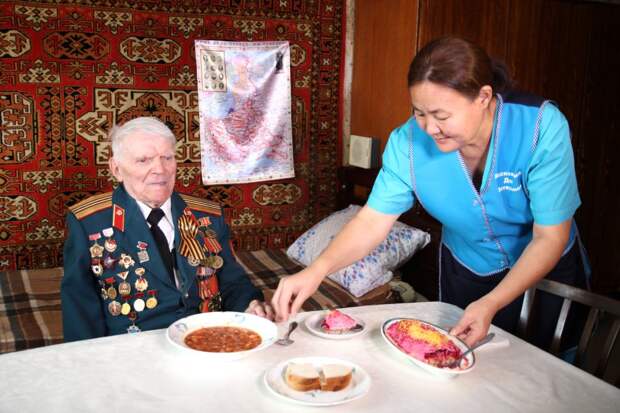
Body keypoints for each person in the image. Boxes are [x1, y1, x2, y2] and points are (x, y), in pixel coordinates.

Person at [272, 37, 589, 348]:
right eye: (419, 112)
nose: (427, 127)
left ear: (483, 96)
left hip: (544, 271)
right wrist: (317, 270)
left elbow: (550, 236)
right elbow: (372, 222)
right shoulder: (407, 143)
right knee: (462, 365)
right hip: (469, 268)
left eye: (441, 115)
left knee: (548, 375)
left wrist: (491, 303)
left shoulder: (539, 126)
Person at [62, 117, 273, 342]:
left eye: (167, 158)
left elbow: (232, 281)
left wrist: (250, 304)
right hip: (133, 351)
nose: (160, 169)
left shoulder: (208, 216)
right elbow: (79, 306)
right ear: (117, 169)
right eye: (143, 160)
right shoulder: (89, 222)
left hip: (205, 341)